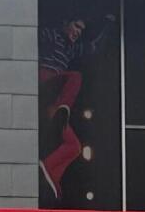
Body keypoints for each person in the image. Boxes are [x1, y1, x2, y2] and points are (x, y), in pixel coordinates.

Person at [38, 15, 108, 200]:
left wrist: (107, 22)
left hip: (54, 97)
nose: (78, 32)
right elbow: (34, 32)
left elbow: (92, 46)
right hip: (45, 80)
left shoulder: (71, 49)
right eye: (76, 26)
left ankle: (49, 173)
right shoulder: (54, 36)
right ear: (65, 24)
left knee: (74, 146)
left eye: (81, 30)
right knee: (75, 77)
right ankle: (62, 112)